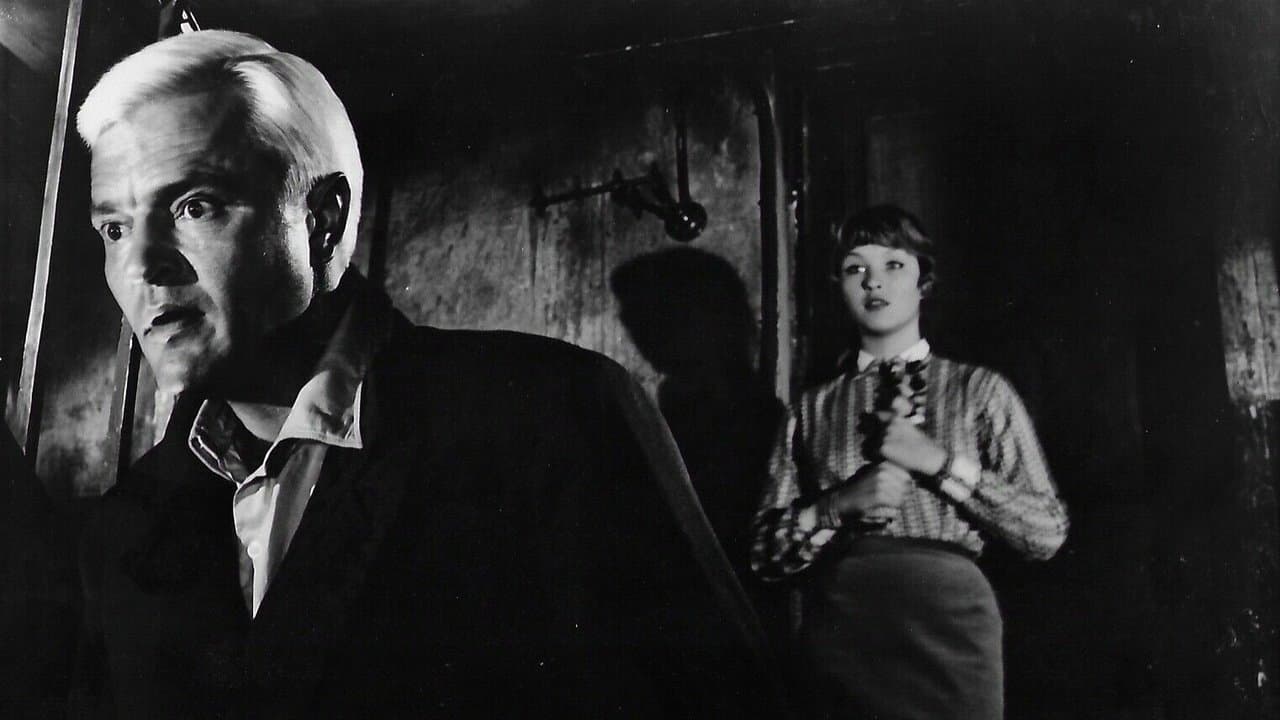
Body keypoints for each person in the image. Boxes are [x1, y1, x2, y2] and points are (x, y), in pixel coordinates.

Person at [72, 30, 778, 719]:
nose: (140, 265)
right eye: (114, 229)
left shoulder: (552, 416)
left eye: (195, 206)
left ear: (322, 220)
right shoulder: (125, 524)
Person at [751, 205, 1069, 719]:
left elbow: (1045, 532)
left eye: (894, 264)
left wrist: (940, 463)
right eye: (855, 268)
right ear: (839, 286)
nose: (873, 282)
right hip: (845, 631)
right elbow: (764, 557)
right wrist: (836, 506)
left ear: (925, 280)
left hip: (952, 632)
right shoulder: (810, 410)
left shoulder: (979, 391)